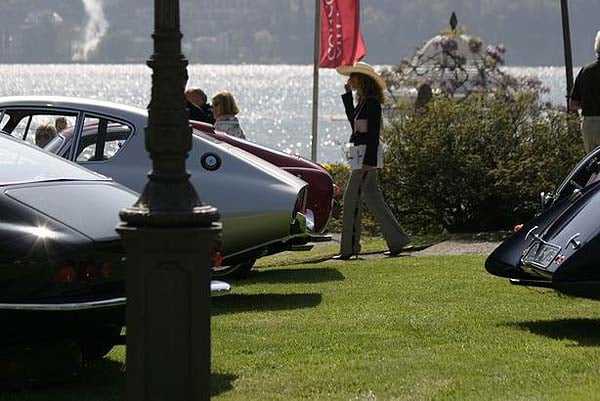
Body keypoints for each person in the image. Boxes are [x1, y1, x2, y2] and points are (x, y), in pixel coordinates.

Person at [333, 61, 410, 260]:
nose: (350, 80)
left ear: (362, 79)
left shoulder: (372, 103)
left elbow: (373, 133)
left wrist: (368, 161)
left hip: (365, 158)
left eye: (353, 76)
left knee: (351, 199)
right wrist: (348, 96)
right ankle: (397, 240)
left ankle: (348, 249)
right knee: (373, 199)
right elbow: (355, 124)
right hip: (363, 156)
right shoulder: (366, 102)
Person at [569, 30, 600, 153]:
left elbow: (573, 104)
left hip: (589, 125)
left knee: (592, 165)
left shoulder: (585, 71)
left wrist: (588, 103)